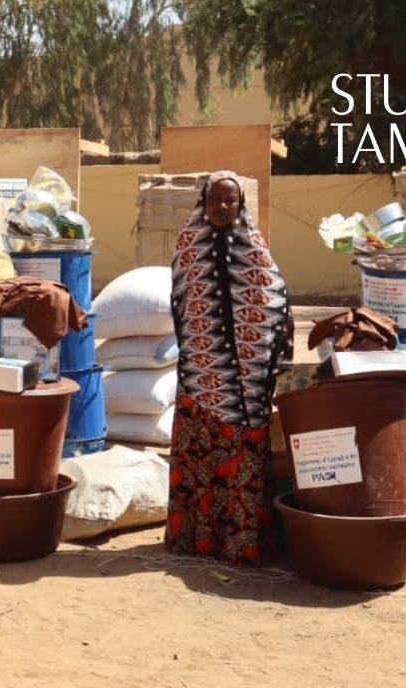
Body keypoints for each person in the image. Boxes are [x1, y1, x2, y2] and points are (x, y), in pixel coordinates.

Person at [166, 171, 293, 565]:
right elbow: (181, 306)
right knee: (200, 454)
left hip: (246, 386)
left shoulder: (256, 249)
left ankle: (240, 543)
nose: (222, 207)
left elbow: (277, 304)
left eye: (230, 201)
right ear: (203, 202)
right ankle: (195, 540)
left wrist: (263, 355)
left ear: (241, 205)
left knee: (240, 458)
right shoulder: (188, 246)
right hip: (200, 381)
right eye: (216, 200)